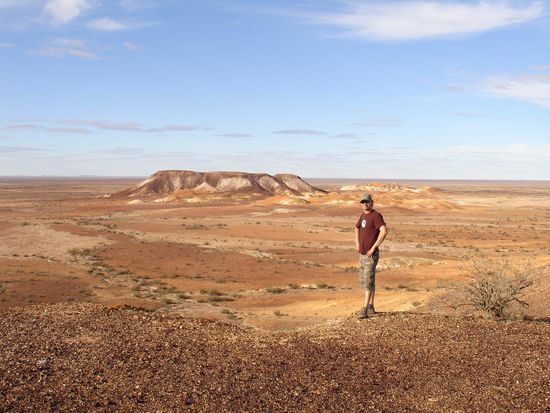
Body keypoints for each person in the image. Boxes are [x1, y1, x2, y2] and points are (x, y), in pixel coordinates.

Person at [355, 193, 387, 319]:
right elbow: (356, 227)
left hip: (370, 255)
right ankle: (371, 307)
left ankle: (364, 309)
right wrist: (357, 242)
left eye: (367, 202)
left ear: (372, 202)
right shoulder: (363, 215)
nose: (365, 204)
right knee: (367, 281)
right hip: (362, 254)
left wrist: (373, 248)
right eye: (363, 202)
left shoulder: (376, 216)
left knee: (368, 282)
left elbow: (384, 231)